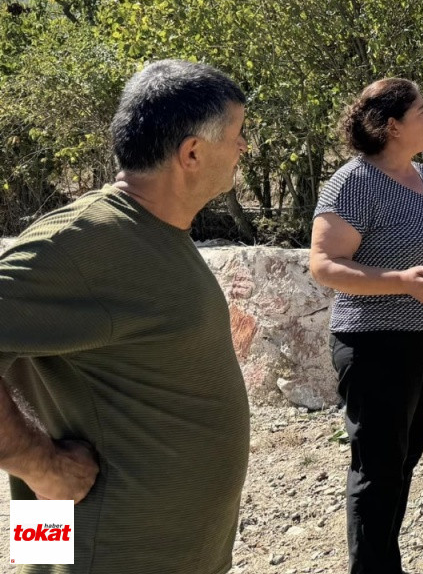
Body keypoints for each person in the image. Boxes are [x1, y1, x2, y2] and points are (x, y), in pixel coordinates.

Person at [0, 60, 251, 573]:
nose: (244, 148)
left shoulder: (153, 232)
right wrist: (38, 465)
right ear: (192, 152)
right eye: (239, 134)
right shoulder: (82, 242)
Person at [309, 77, 423, 574]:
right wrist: (400, 281)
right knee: (377, 471)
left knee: (400, 464)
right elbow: (323, 264)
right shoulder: (354, 183)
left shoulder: (420, 175)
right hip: (375, 344)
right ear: (392, 125)